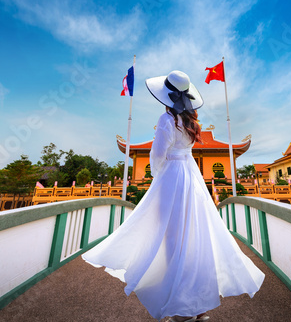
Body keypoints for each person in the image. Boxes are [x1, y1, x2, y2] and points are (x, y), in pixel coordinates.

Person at [82, 71, 265, 322]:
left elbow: (157, 156)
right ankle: (197, 307)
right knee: (194, 238)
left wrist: (159, 177)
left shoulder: (167, 120)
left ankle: (179, 308)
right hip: (192, 179)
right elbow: (185, 152)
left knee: (171, 239)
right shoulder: (191, 121)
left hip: (173, 178)